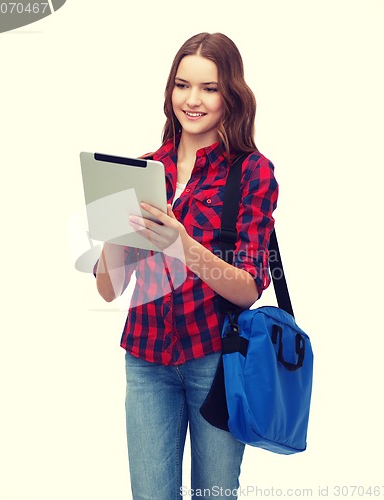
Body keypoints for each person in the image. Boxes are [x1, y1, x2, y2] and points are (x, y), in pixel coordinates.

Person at [95, 32, 279, 500]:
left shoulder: (250, 172)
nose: (192, 99)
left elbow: (248, 287)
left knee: (214, 496)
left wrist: (183, 244)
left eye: (209, 88)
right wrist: (114, 229)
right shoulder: (143, 168)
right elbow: (109, 289)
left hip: (217, 363)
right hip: (146, 360)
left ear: (231, 95)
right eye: (182, 85)